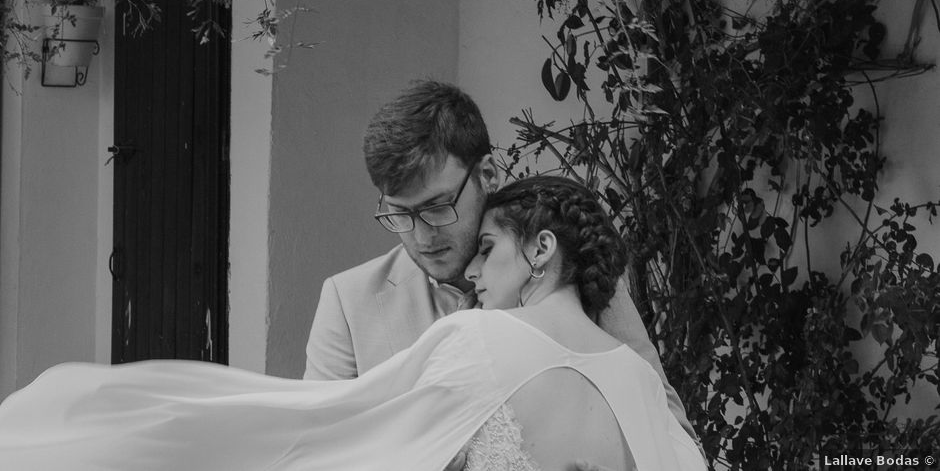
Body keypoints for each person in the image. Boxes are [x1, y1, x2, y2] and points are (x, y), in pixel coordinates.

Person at [0, 176, 705, 471]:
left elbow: (328, 426)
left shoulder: (485, 341)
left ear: (543, 249)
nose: (475, 274)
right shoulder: (648, 393)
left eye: (489, 251)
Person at [304, 81, 696, 442]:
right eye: (400, 214)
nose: (422, 237)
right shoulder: (347, 300)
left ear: (486, 174)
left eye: (438, 207)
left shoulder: (571, 273)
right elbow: (316, 453)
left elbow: (671, 431)